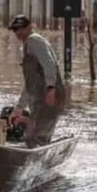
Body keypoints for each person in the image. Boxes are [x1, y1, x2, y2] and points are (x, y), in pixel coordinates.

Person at [8, 15, 66, 147]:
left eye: (21, 29)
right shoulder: (27, 46)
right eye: (15, 30)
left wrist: (51, 88)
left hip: (49, 97)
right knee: (31, 136)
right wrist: (19, 108)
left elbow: (49, 63)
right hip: (39, 99)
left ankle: (38, 162)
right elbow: (29, 84)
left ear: (30, 27)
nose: (18, 32)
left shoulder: (34, 40)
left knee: (38, 138)